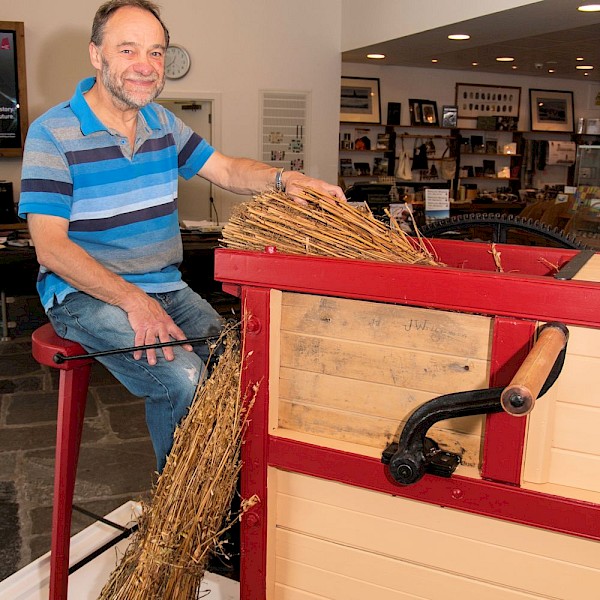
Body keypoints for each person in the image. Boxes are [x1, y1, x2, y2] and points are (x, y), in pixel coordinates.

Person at [18, 0, 345, 472]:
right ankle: (182, 521)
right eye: (128, 50)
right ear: (96, 55)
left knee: (240, 362)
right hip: (84, 294)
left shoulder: (162, 124)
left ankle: (225, 489)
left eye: (156, 53)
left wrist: (285, 180)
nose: (145, 67)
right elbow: (49, 246)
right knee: (182, 375)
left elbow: (228, 169)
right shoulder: (53, 133)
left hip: (164, 286)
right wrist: (133, 300)